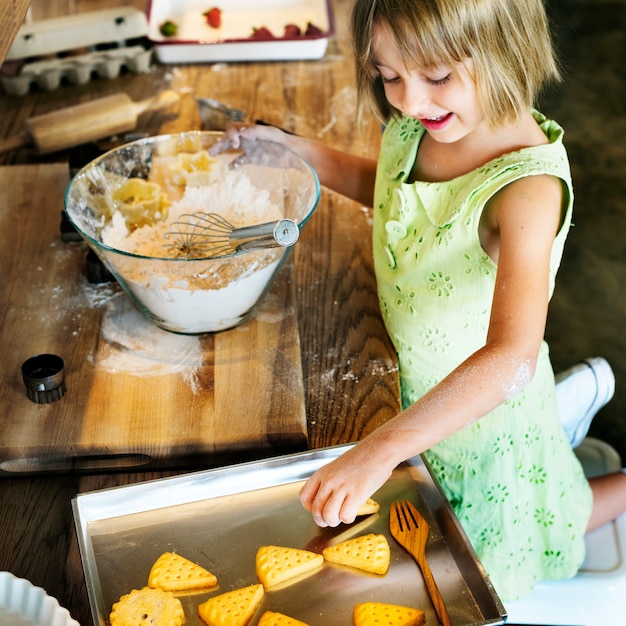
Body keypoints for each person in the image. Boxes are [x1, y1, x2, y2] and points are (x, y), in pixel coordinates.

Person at [211, 0, 626, 603]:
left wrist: (376, 452)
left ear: (508, 50)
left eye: (435, 77)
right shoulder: (427, 122)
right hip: (417, 403)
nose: (407, 100)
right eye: (388, 76)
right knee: (535, 504)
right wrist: (297, 152)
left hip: (480, 425)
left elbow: (511, 357)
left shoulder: (525, 193)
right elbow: (391, 188)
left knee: (510, 535)